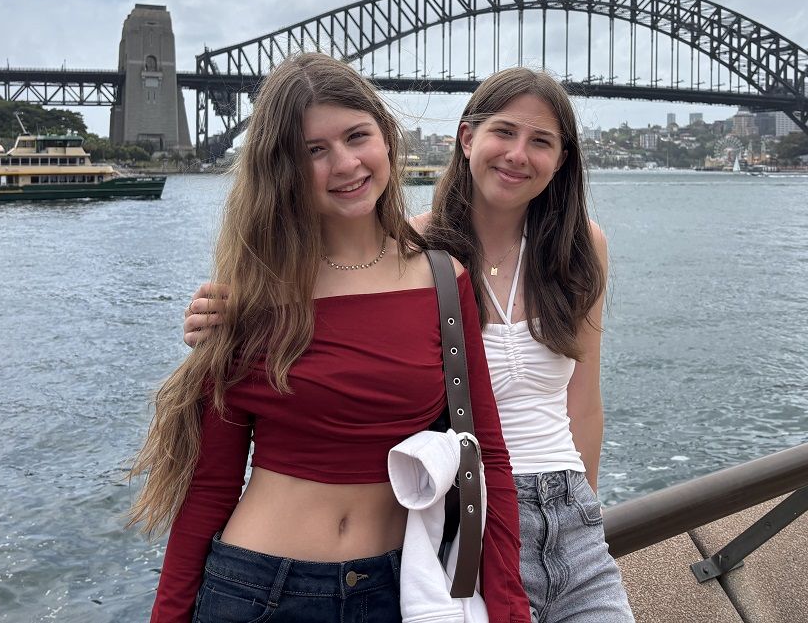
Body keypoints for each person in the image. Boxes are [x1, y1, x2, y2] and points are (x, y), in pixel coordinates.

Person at [185, 68, 635, 622]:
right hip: (457, 516)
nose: (518, 154)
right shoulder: (409, 253)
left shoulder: (574, 249)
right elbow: (330, 290)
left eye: (541, 141)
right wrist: (222, 317)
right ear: (466, 138)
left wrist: (587, 510)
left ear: (562, 158)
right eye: (503, 132)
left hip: (561, 519)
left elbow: (581, 405)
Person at [132, 53, 530, 623]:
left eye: (356, 136)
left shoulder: (445, 282)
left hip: (397, 592)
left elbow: (486, 454)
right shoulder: (251, 295)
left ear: (386, 138)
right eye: (313, 150)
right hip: (257, 590)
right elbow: (211, 485)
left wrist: (510, 609)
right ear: (283, 170)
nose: (344, 163)